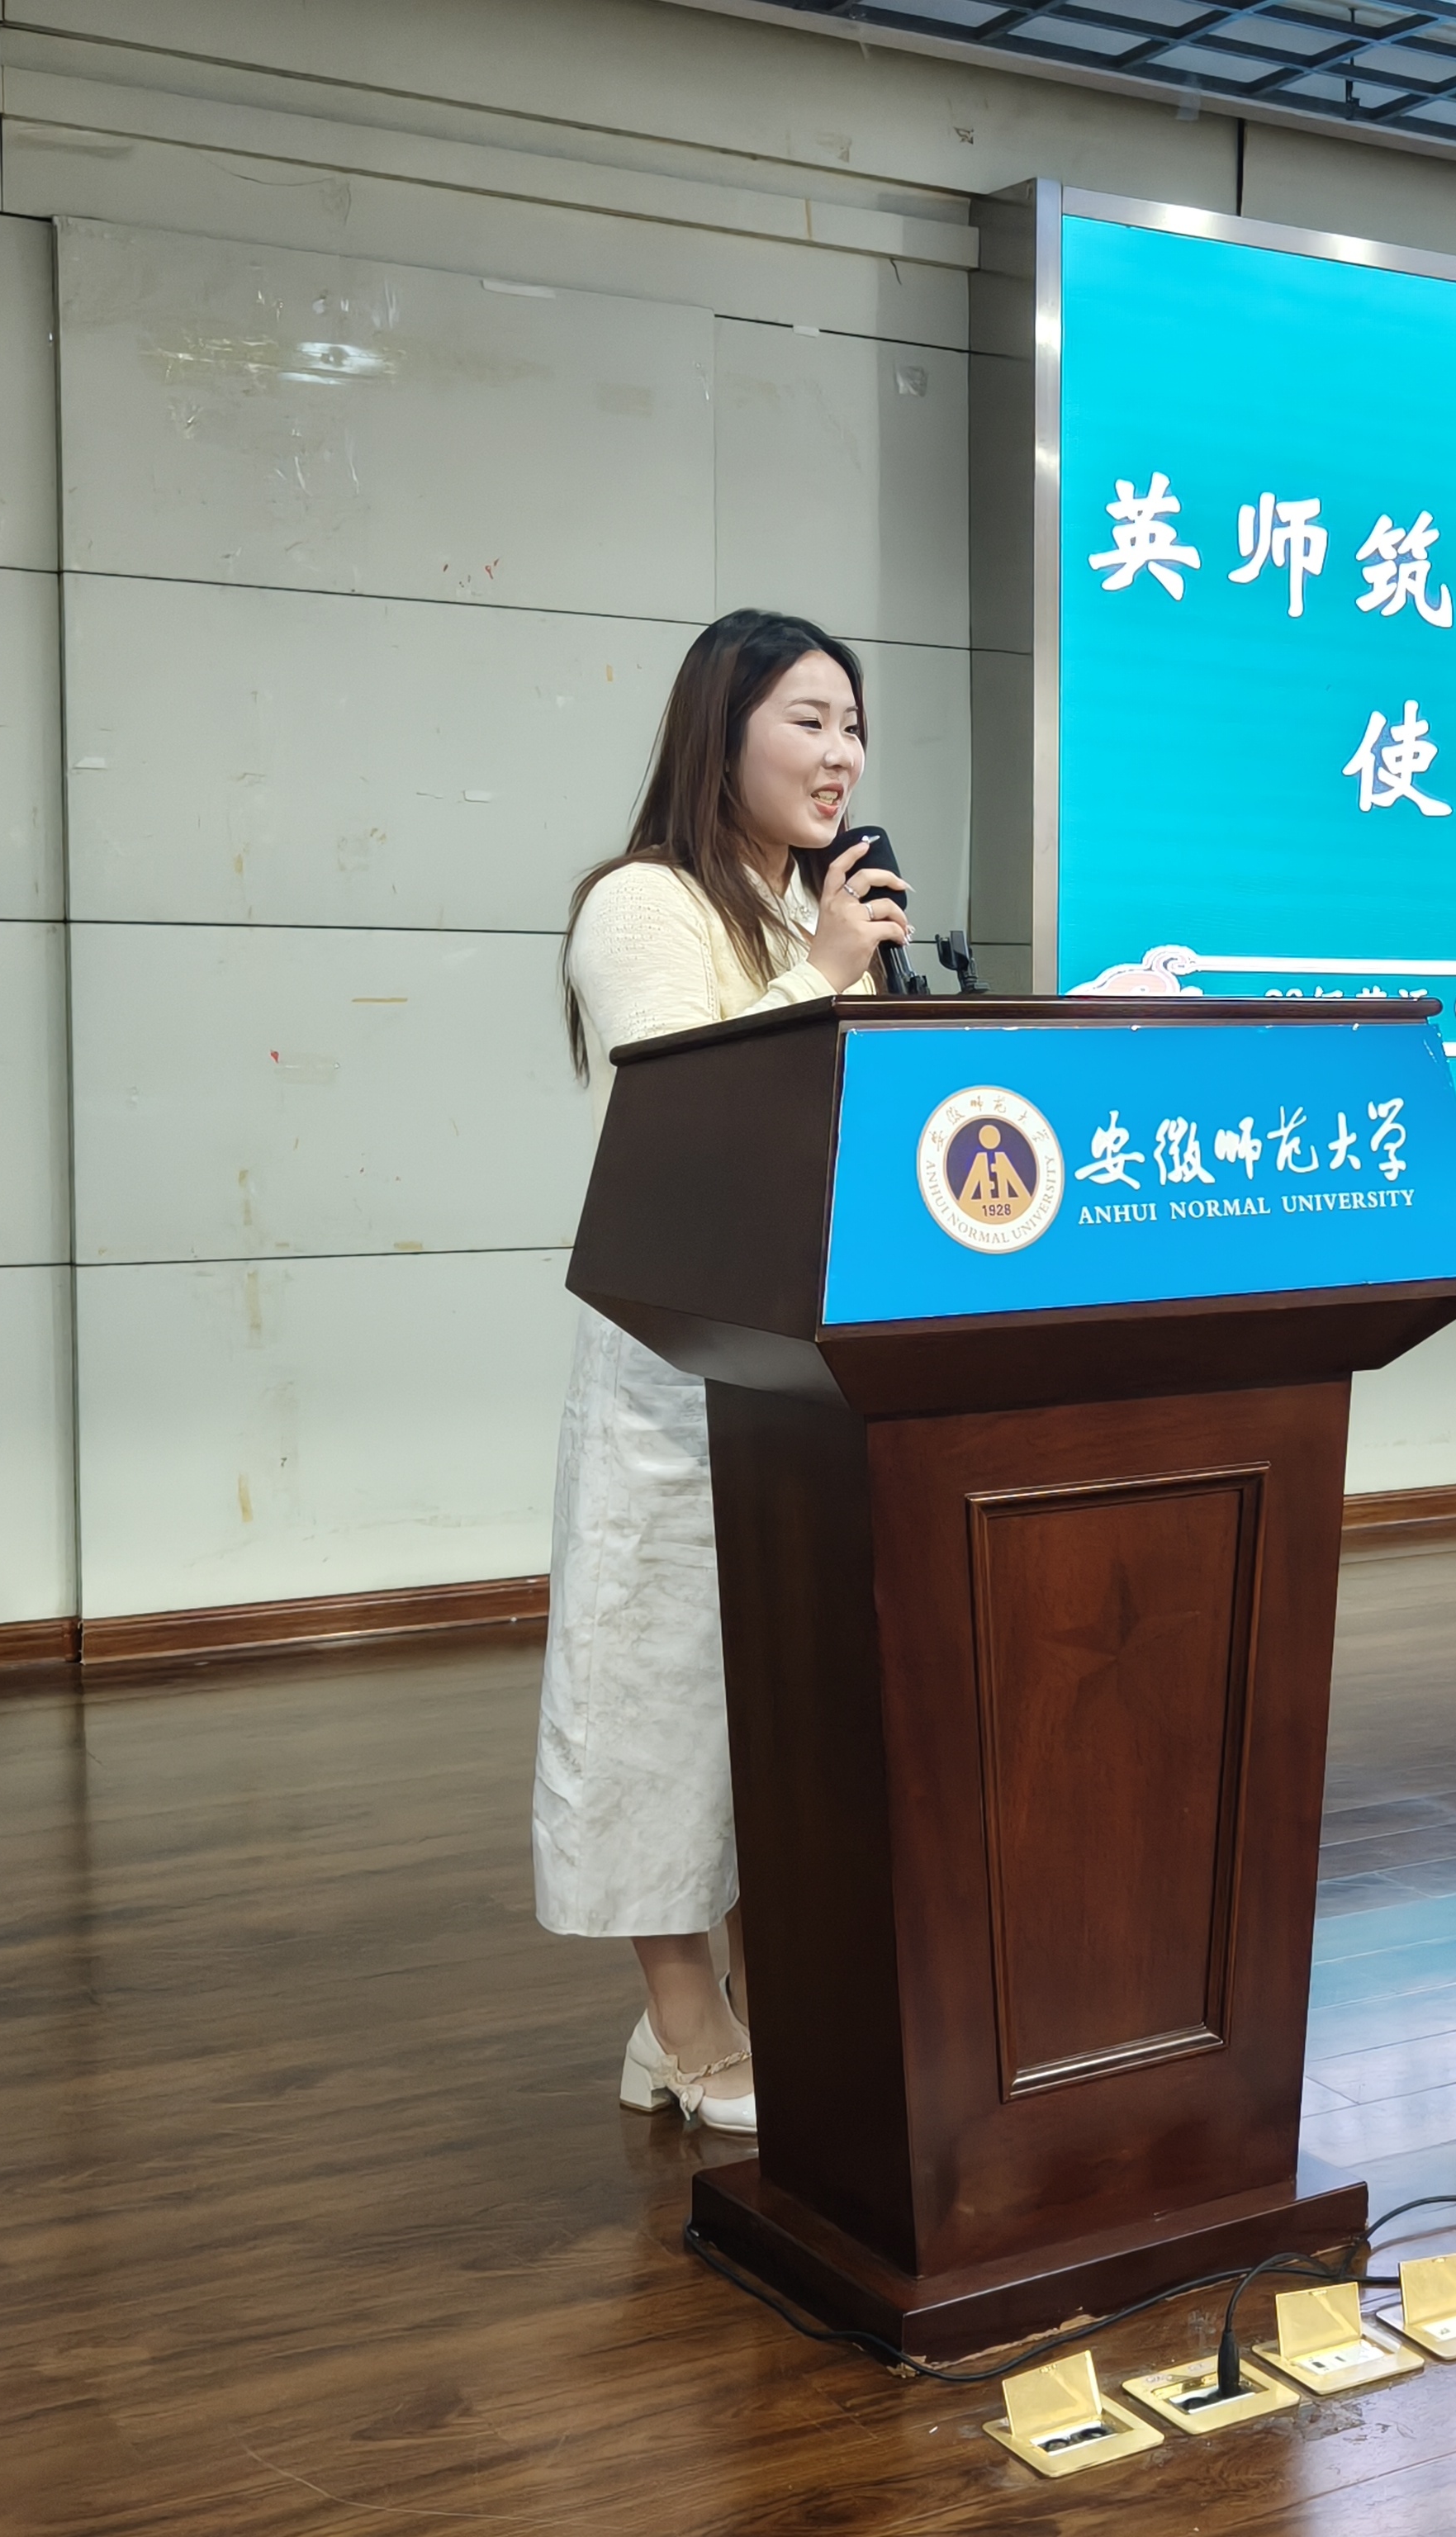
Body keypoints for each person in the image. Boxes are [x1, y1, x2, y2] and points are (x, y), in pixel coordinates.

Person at [534, 609, 911, 2134]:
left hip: (808, 1380)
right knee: (665, 1698)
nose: (841, 756)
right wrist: (821, 972)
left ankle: (776, 1998)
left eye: (853, 725)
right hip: (679, 1372)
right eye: (808, 721)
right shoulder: (643, 904)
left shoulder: (810, 917)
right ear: (723, 731)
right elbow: (686, 1125)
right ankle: (682, 2027)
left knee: (781, 1706)